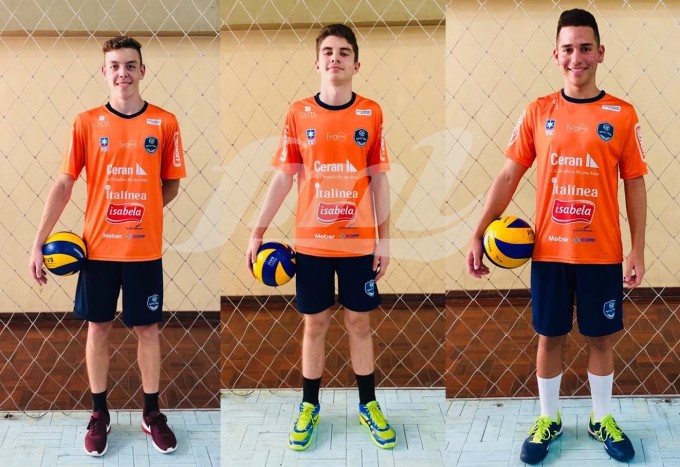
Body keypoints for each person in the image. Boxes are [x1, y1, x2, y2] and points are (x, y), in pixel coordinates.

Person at [466, 8, 647, 465]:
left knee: (601, 339)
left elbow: (635, 182)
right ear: (556, 55)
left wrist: (638, 249)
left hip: (602, 252)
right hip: (548, 252)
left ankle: (600, 417)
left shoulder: (621, 115)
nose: (577, 57)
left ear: (600, 53)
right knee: (549, 337)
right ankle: (549, 418)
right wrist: (478, 230)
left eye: (586, 48)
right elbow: (509, 175)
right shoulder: (538, 111)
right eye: (568, 48)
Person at [29, 36, 186, 456]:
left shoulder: (165, 123)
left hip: (143, 250)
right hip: (96, 251)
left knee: (147, 329)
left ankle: (151, 413)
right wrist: (38, 241)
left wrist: (145, 209)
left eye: (130, 65)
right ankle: (99, 414)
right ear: (104, 73)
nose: (122, 73)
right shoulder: (86, 123)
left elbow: (170, 184)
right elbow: (65, 182)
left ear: (142, 71)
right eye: (114, 65)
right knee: (98, 327)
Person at [246, 24, 395, 451]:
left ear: (356, 64)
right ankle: (310, 405)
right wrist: (257, 231)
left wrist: (383, 240)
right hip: (311, 245)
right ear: (317, 62)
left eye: (344, 52)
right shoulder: (298, 113)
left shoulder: (371, 112)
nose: (335, 58)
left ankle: (367, 404)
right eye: (328, 52)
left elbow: (379, 181)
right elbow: (283, 177)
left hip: (357, 243)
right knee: (315, 324)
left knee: (359, 323)